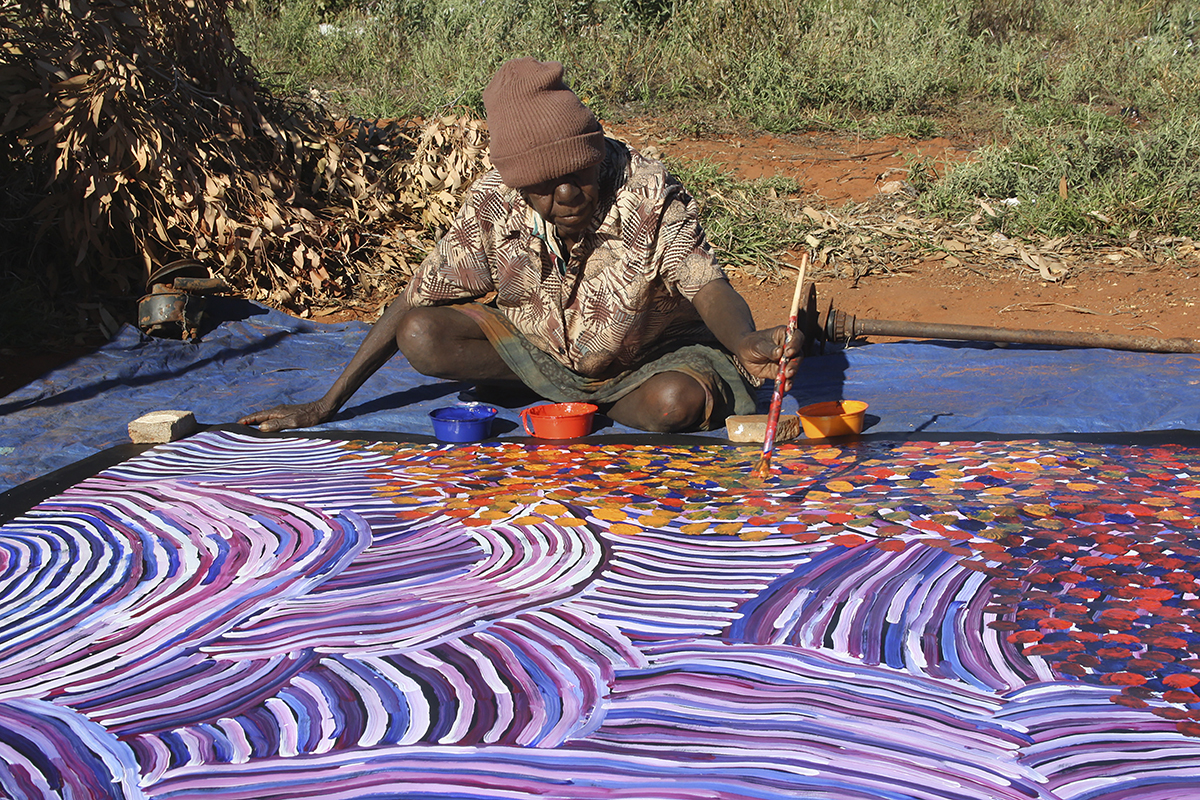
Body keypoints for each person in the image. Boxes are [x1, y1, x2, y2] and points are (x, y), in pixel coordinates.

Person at [239, 58, 803, 434]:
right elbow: (413, 299)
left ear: (595, 151)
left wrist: (745, 338)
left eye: (578, 174)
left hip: (647, 359)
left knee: (676, 405)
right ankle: (555, 391)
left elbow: (707, 283)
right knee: (420, 333)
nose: (566, 195)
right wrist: (324, 405)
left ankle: (591, 402)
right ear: (516, 186)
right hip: (539, 351)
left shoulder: (645, 187)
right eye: (541, 188)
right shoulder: (493, 203)